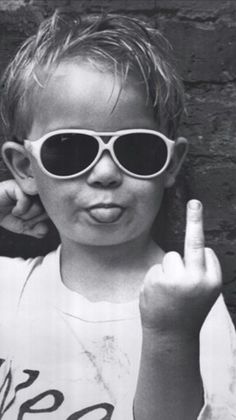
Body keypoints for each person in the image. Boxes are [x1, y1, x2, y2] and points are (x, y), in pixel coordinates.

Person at [0, 11, 235, 420]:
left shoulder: (193, 308)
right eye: (69, 149)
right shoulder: (9, 287)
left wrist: (169, 336)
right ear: (24, 167)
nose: (106, 173)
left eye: (137, 149)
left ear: (171, 163)